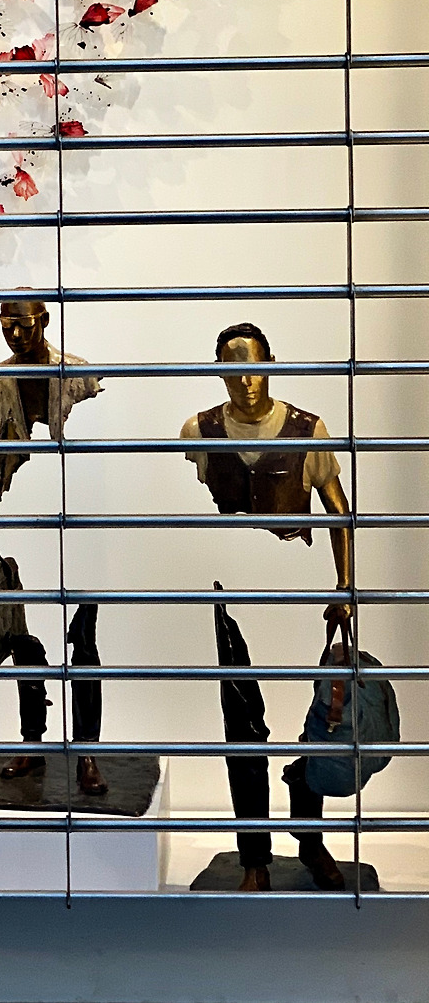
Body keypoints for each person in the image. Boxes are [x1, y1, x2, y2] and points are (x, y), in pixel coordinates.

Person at [181, 321, 353, 892]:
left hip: (298, 592)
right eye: (233, 371)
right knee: (242, 728)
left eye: (254, 368)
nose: (247, 382)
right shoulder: (199, 431)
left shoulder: (307, 430)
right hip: (232, 595)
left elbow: (338, 509)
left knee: (314, 729)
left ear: (271, 365)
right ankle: (253, 854)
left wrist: (344, 586)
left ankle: (311, 842)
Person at [0, 295, 107, 795]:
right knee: (24, 641)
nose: (16, 335)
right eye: (7, 326)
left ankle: (88, 750)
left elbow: (95, 447)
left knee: (84, 641)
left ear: (44, 321)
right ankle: (33, 741)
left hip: (77, 510)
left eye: (24, 325)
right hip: (25, 507)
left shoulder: (79, 374)